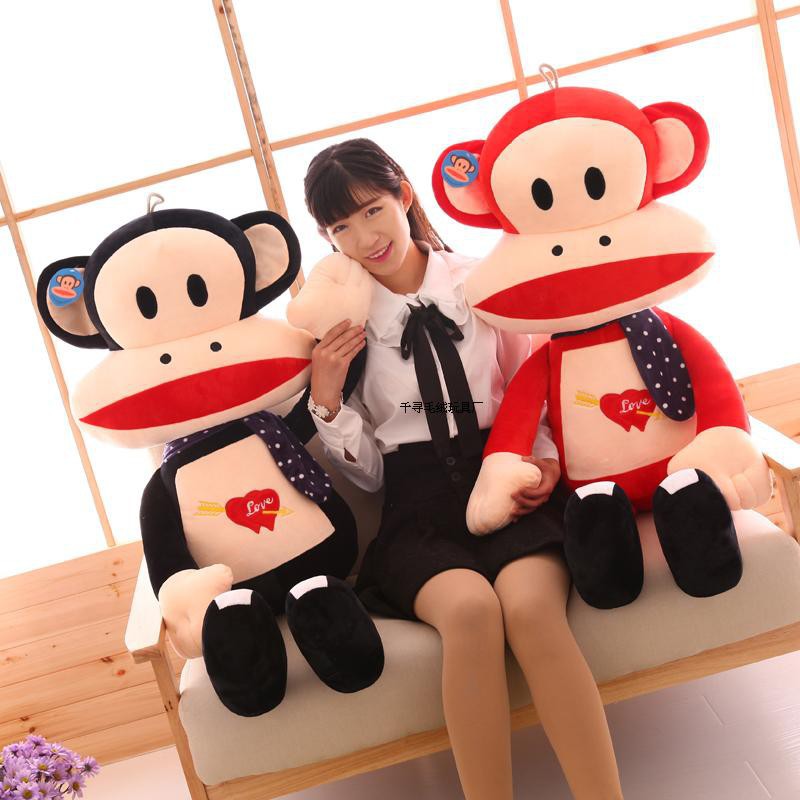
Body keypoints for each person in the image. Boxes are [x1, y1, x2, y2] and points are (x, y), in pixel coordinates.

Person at [301, 137, 623, 800]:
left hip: (501, 478)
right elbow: (371, 478)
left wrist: (544, 460)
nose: (364, 238)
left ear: (404, 196)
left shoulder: (480, 281)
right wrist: (326, 401)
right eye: (341, 228)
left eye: (372, 211)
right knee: (472, 612)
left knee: (531, 609)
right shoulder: (341, 326)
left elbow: (530, 384)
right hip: (416, 510)